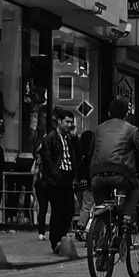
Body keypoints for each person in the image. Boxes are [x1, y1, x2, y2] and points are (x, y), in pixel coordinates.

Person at [87, 98, 139, 228]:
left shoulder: (98, 129)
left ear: (109, 113)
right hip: (121, 174)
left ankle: (103, 227)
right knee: (135, 187)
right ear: (126, 114)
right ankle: (126, 216)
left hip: (96, 176)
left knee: (101, 204)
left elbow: (90, 153)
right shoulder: (131, 130)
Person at [36, 109, 80, 255]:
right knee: (58, 209)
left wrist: (75, 138)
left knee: (70, 209)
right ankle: (55, 240)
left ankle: (61, 236)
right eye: (67, 122)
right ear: (59, 121)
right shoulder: (50, 138)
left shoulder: (69, 139)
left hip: (68, 176)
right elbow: (47, 158)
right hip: (55, 179)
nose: (69, 125)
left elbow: (78, 156)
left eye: (71, 122)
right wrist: (56, 176)